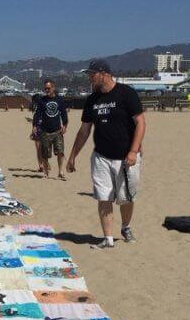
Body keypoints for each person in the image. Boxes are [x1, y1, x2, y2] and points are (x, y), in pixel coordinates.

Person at [66, 59, 145, 249]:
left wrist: (134, 151)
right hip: (101, 156)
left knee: (126, 198)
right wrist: (72, 155)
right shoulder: (92, 100)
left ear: (104, 74)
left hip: (126, 157)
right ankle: (108, 238)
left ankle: (125, 226)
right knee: (104, 197)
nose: (90, 78)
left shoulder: (126, 93)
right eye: (89, 75)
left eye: (92, 74)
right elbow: (84, 130)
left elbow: (141, 123)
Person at [33, 79, 69, 179]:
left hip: (57, 130)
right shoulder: (42, 101)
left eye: (48, 88)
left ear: (53, 88)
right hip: (45, 131)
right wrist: (35, 126)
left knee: (60, 152)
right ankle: (46, 172)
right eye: (45, 88)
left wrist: (65, 125)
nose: (47, 90)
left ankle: (60, 172)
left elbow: (64, 114)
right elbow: (37, 114)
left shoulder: (59, 100)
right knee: (45, 154)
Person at [29, 93, 45, 172]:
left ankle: (41, 165)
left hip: (38, 128)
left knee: (38, 149)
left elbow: (35, 120)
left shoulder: (35, 108)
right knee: (44, 148)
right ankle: (44, 165)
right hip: (45, 129)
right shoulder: (45, 106)